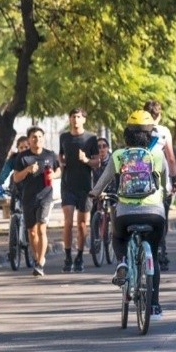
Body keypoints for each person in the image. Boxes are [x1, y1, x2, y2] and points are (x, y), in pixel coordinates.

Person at [90, 111, 168, 320]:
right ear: (150, 134)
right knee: (154, 253)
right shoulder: (158, 155)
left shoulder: (118, 155)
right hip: (154, 214)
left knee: (118, 237)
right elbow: (165, 185)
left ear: (127, 134)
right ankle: (154, 306)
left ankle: (123, 261)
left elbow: (104, 181)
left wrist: (94, 193)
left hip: (125, 214)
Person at [13, 127, 61, 277]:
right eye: (34, 137)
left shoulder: (50, 155)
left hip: (45, 196)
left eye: (40, 136)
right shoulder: (22, 157)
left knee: (41, 229)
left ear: (43, 138)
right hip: (28, 197)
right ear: (29, 139)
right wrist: (27, 170)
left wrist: (54, 174)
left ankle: (40, 263)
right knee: (32, 233)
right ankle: (37, 258)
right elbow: (16, 178)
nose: (37, 139)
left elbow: (59, 170)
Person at [59, 107, 100, 273]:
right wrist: (61, 163)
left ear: (84, 119)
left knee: (82, 224)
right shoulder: (64, 137)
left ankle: (80, 256)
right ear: (69, 119)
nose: (75, 120)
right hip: (68, 184)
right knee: (68, 223)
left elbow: (97, 162)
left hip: (84, 186)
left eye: (78, 117)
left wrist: (86, 160)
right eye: (72, 117)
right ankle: (68, 256)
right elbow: (60, 155)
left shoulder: (91, 138)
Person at [144, 100, 176, 271]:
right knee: (161, 217)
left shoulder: (135, 130)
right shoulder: (163, 132)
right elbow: (171, 158)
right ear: (159, 115)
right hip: (159, 181)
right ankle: (161, 251)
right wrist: (174, 179)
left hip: (138, 181)